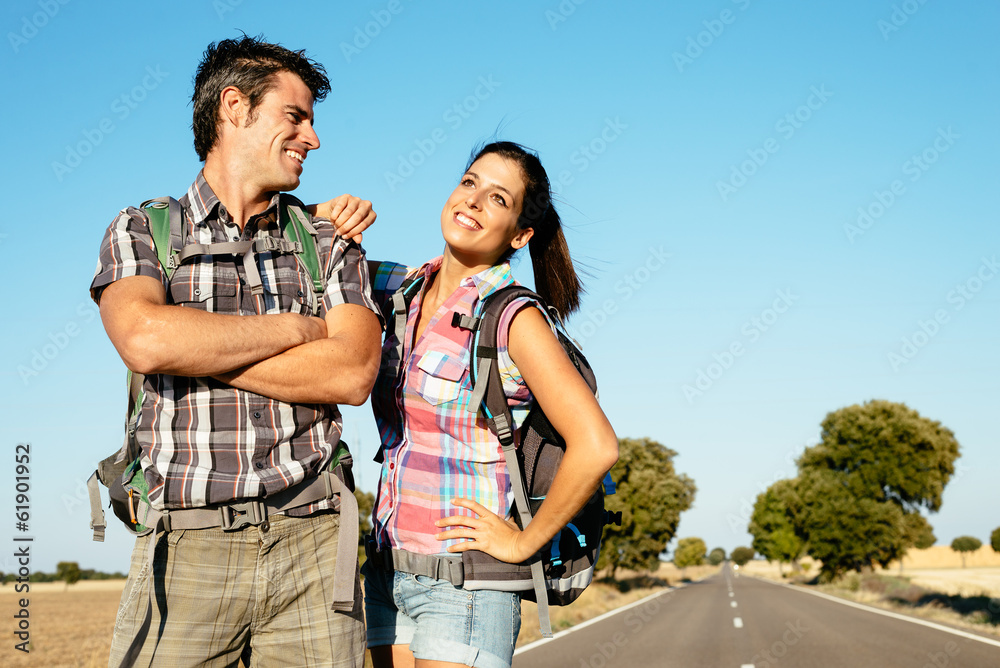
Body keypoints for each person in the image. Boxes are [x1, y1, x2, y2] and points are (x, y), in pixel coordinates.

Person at [91, 36, 382, 667]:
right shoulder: (142, 229)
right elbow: (145, 339)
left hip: (314, 544)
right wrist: (298, 330)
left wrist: (197, 347)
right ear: (234, 107)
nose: (313, 138)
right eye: (295, 116)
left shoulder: (330, 240)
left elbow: (353, 372)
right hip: (184, 546)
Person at [362, 141, 619, 668]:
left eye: (499, 199)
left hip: (466, 588)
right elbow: (309, 257)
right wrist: (321, 212)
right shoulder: (399, 289)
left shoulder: (512, 317)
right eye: (469, 182)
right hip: (386, 572)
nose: (474, 201)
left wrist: (524, 543)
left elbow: (597, 445)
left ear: (520, 235)